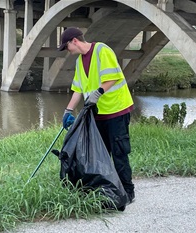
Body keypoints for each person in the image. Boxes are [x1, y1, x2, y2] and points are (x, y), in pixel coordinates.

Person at [59, 27, 135, 203]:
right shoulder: (79, 62)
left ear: (74, 41)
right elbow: (78, 89)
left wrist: (98, 92)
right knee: (99, 154)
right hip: (98, 114)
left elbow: (113, 77)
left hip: (116, 110)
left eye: (67, 46)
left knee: (119, 153)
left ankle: (128, 191)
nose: (67, 51)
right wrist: (68, 110)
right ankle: (106, 187)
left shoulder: (102, 50)